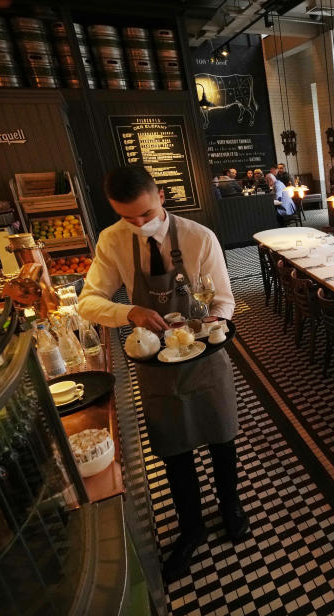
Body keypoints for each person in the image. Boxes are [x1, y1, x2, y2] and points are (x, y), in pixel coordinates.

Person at [78, 166, 246, 582]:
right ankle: (191, 527)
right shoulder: (112, 240)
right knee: (173, 449)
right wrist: (128, 311)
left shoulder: (198, 237)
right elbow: (89, 301)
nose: (138, 224)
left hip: (206, 358)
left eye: (145, 213)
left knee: (221, 436)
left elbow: (224, 301)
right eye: (127, 217)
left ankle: (231, 505)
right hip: (155, 365)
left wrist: (205, 325)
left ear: (162, 196)